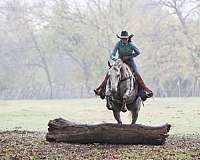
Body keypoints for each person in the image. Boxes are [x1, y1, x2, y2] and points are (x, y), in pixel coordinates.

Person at [94, 30, 153, 101]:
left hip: (130, 61)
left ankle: (144, 91)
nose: (124, 40)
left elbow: (138, 52)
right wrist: (116, 59)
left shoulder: (131, 45)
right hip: (120, 61)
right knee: (110, 73)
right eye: (123, 38)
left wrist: (129, 57)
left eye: (125, 38)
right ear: (121, 39)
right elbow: (113, 54)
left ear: (128, 38)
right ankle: (100, 90)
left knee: (136, 73)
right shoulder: (118, 44)